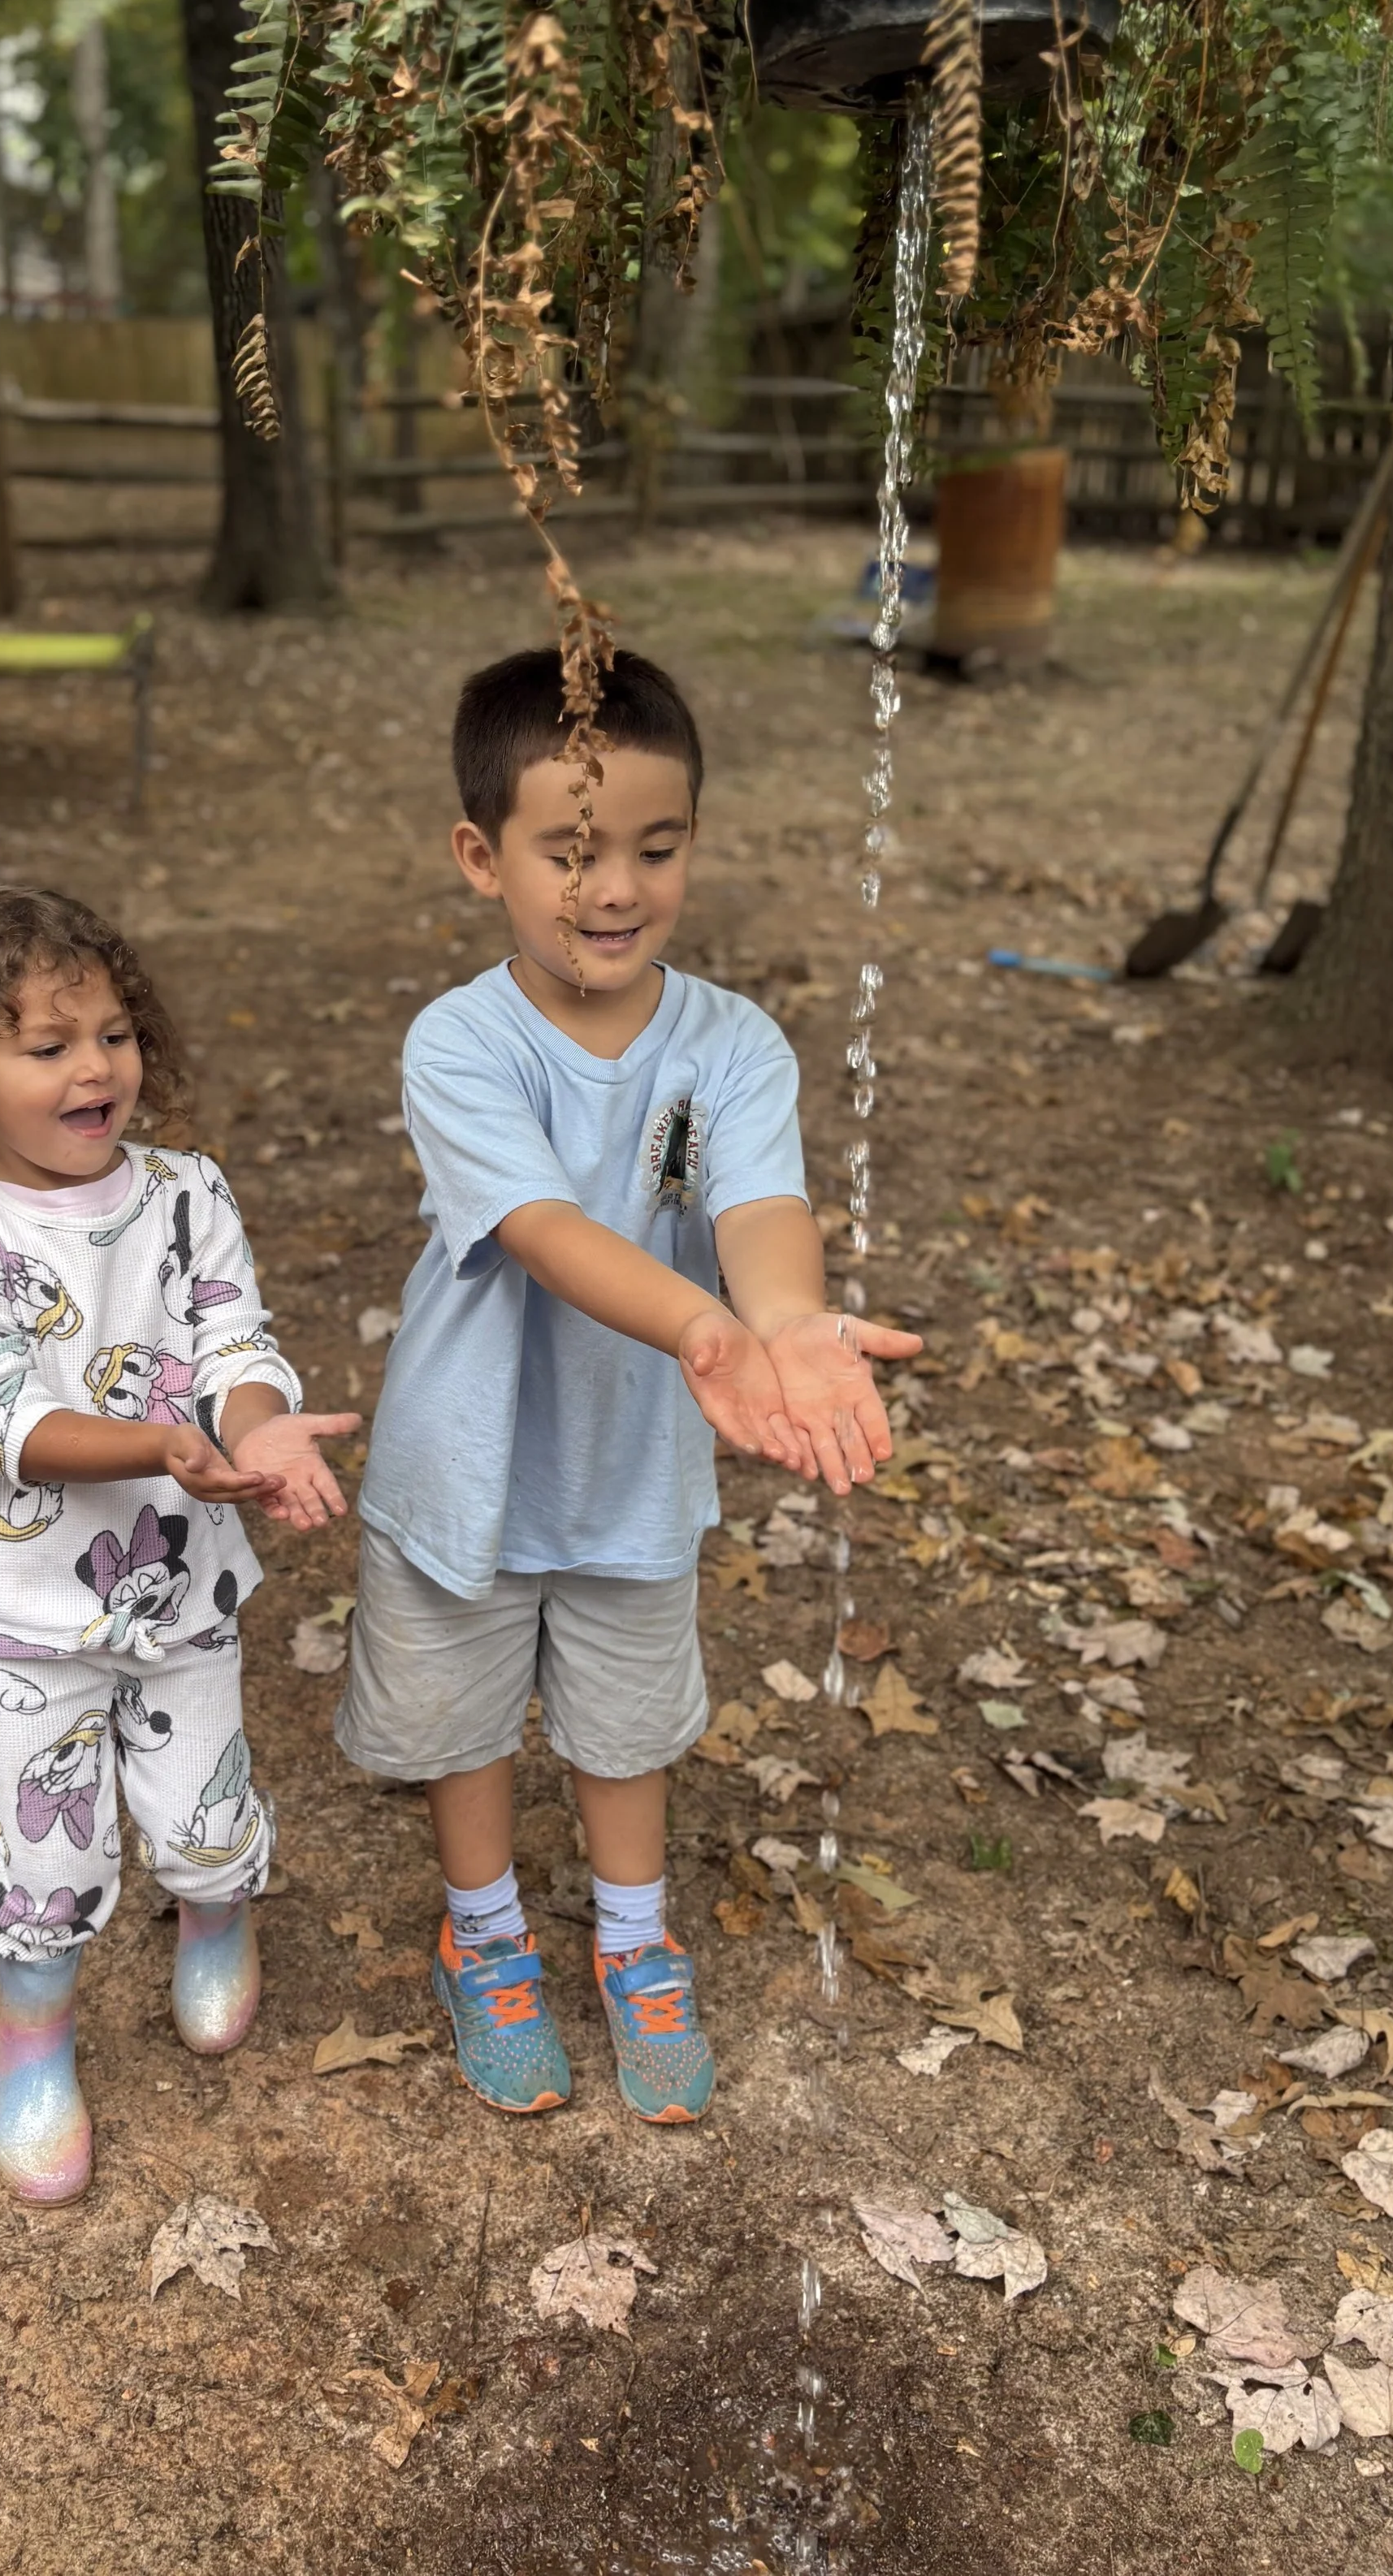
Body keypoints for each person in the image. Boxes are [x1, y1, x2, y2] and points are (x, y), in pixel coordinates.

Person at [338, 650, 919, 2124]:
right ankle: (485, 1944)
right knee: (463, 1719)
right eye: (571, 853)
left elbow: (761, 1207)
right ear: (483, 857)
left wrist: (782, 1319)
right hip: (467, 1460)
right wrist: (707, 1334)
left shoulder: (732, 1044)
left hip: (633, 1464)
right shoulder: (461, 1042)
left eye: (656, 850)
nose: (615, 890)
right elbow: (543, 1228)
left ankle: (634, 1941)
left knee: (625, 1721)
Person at [0, 884, 357, 2203]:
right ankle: (34, 2032)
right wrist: (162, 1444)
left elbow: (234, 1340)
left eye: (112, 1033)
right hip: (24, 1613)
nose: (93, 1068)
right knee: (55, 1852)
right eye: (47, 1046)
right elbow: (4, 1418)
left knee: (202, 1815)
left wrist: (255, 1428)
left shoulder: (188, 1192)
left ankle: (214, 1911)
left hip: (183, 1585)